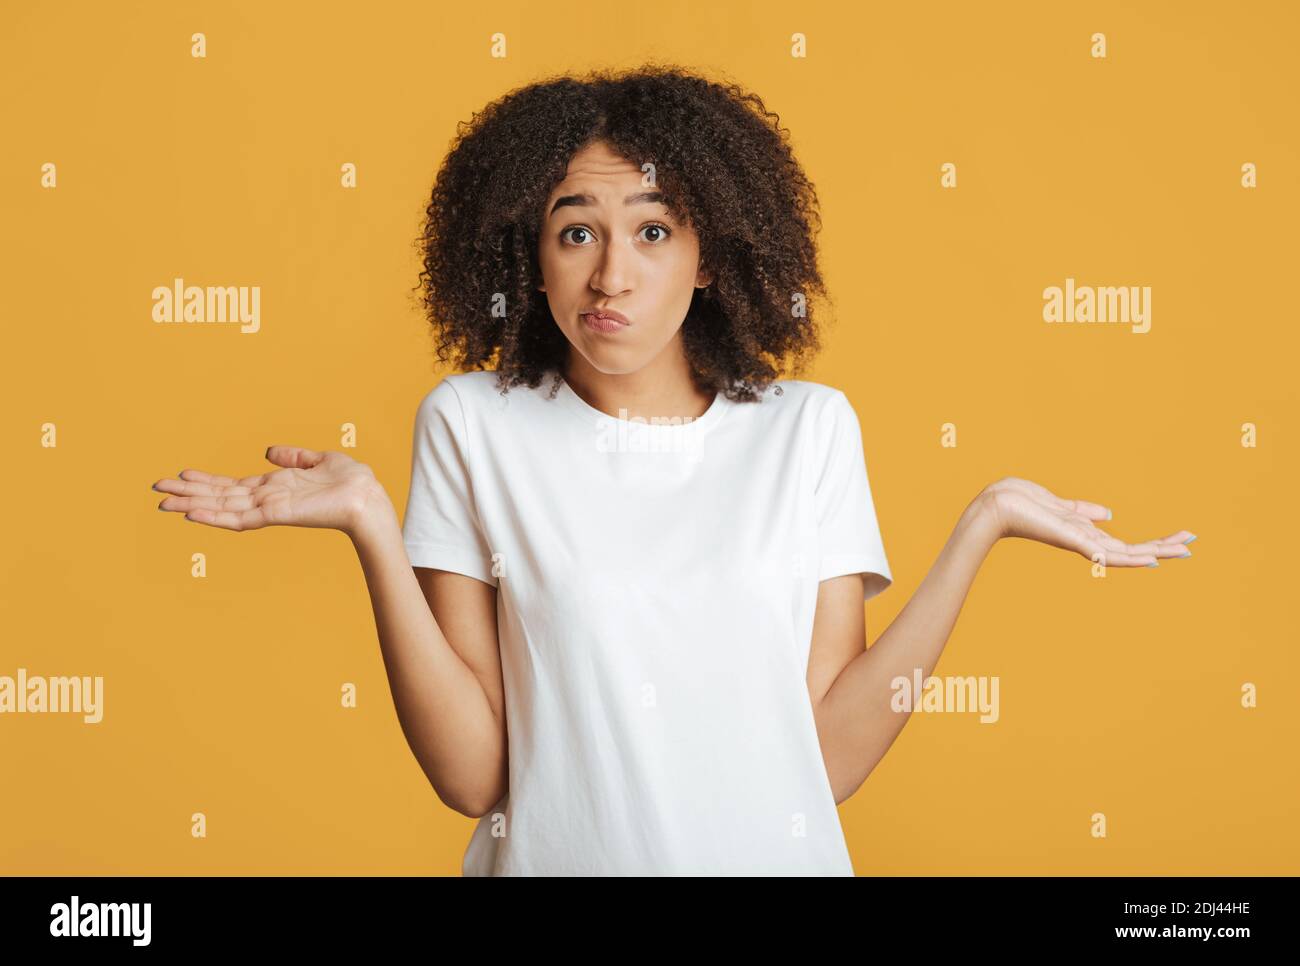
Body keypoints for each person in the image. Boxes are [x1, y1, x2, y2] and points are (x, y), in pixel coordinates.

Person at [150, 63, 1195, 876]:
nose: (613, 274)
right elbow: (475, 780)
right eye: (577, 233)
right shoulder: (472, 425)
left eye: (653, 230)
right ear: (529, 256)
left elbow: (823, 761)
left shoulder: (807, 431)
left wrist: (985, 523)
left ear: (711, 256)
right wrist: (374, 527)